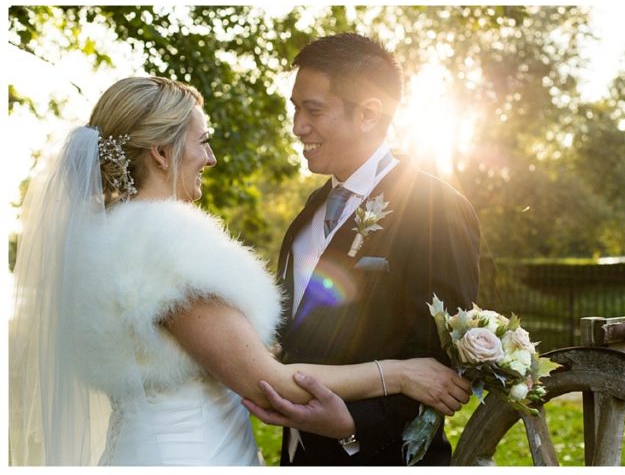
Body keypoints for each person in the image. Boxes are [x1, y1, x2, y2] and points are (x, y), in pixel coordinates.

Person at [9, 76, 469, 466]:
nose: (210, 159)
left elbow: (177, 349)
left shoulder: (103, 238)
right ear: (161, 154)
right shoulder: (166, 242)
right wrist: (400, 374)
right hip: (192, 454)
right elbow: (266, 384)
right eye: (203, 142)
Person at [266, 33, 481, 466]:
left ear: (368, 113)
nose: (297, 126)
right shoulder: (309, 212)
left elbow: (440, 366)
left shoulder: (435, 207)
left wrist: (350, 426)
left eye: (314, 110)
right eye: (295, 108)